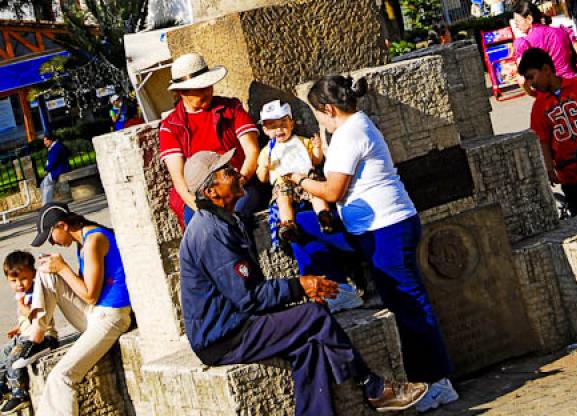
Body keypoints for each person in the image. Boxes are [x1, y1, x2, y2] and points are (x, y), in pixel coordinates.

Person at [179, 150, 428, 415]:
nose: (237, 173)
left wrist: (298, 289)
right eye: (227, 173)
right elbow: (248, 297)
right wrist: (300, 286)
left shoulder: (226, 222)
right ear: (212, 193)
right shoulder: (209, 233)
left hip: (239, 322)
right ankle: (373, 387)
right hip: (225, 337)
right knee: (314, 315)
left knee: (309, 346)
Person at [291, 75, 458, 414]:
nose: (317, 121)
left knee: (410, 305)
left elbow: (333, 191)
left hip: (387, 229)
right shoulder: (352, 128)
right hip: (377, 227)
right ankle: (338, 288)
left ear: (328, 109)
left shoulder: (351, 134)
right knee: (302, 226)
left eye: (318, 113)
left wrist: (301, 180)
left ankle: (438, 381)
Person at [14, 203, 132, 416]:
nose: (52, 242)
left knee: (61, 376)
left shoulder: (95, 240)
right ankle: (38, 338)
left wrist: (63, 268)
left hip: (112, 317)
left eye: (51, 236)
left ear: (62, 225)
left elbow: (90, 295)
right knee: (44, 273)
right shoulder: (83, 242)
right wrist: (55, 270)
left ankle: (38, 339)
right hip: (95, 313)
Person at [159, 52, 264, 229]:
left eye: (209, 85)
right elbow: (179, 180)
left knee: (236, 219)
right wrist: (201, 208)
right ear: (182, 92)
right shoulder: (170, 126)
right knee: (200, 228)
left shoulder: (231, 108)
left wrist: (238, 183)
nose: (208, 91)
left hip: (239, 185)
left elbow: (252, 152)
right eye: (200, 88)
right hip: (198, 196)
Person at [256, 100, 335, 244]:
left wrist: (317, 148)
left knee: (317, 195)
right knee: (283, 201)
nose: (279, 130)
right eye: (273, 127)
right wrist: (265, 167)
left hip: (306, 178)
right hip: (283, 182)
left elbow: (316, 161)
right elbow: (262, 178)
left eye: (283, 125)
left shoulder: (302, 142)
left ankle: (324, 215)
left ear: (291, 124)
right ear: (265, 131)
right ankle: (288, 225)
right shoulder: (267, 151)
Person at [518, 48, 577, 217]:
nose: (531, 83)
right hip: (570, 175)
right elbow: (542, 140)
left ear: (546, 69)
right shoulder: (539, 107)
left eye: (532, 76)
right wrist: (549, 168)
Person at [0, 251, 58, 415]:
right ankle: (4, 387)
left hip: (44, 338)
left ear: (33, 274)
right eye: (13, 280)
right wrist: (18, 328)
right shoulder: (23, 293)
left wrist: (20, 304)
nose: (19, 284)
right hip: (26, 335)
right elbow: (27, 321)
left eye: (23, 279)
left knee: (14, 358)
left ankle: (20, 394)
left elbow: (33, 315)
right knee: (3, 354)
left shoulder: (36, 292)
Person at [512, 0, 577, 82]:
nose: (517, 26)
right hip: (574, 79)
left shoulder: (525, 42)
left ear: (529, 19)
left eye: (517, 22)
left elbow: (524, 71)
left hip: (552, 85)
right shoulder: (562, 30)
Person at [41, 134, 70, 205]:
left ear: (50, 140)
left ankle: (46, 204)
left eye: (45, 141)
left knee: (47, 183)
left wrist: (47, 170)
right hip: (56, 170)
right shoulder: (54, 147)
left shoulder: (56, 147)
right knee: (42, 184)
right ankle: (47, 202)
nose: (44, 143)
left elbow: (53, 161)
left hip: (59, 170)